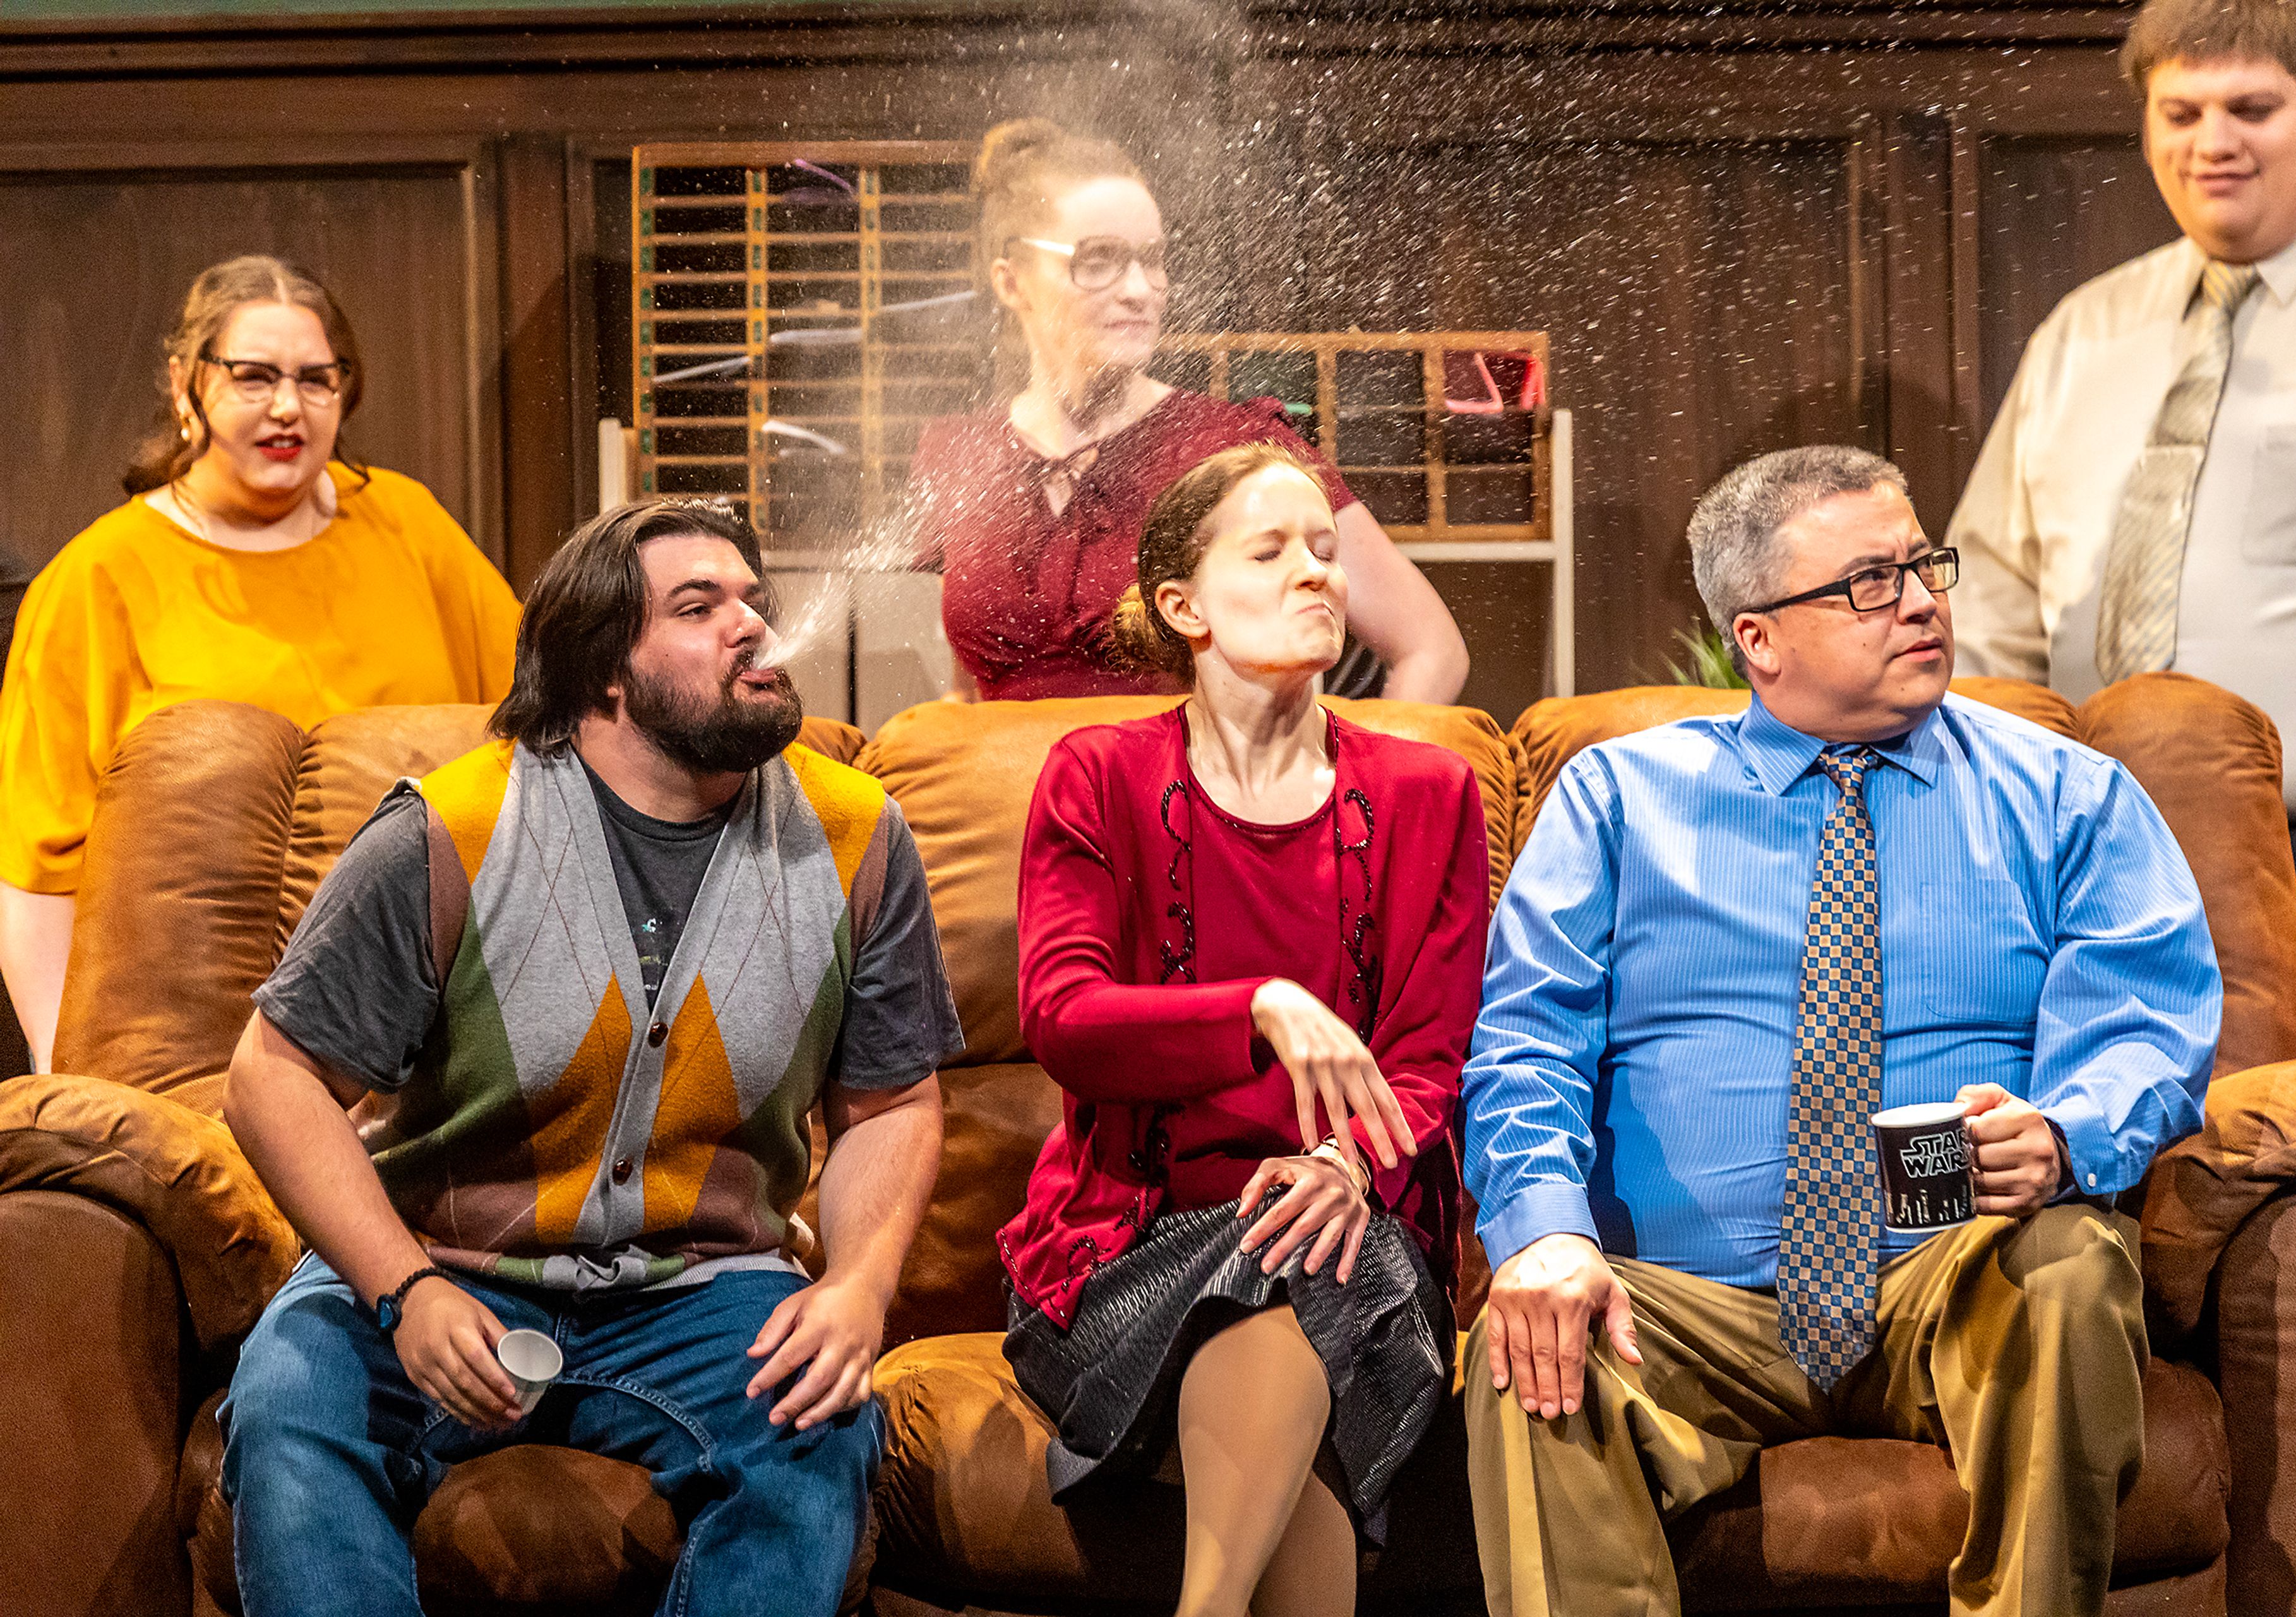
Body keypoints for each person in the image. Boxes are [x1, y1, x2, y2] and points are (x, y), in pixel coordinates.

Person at [1462, 446, 2223, 1617]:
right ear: (1758, 639)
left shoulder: (2067, 795)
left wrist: (2065, 1134)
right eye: (1869, 581)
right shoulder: (1622, 800)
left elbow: (2146, 1019)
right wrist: (1541, 1235)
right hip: (1691, 1297)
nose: (1921, 599)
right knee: (1527, 1355)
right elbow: (1527, 1044)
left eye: (1924, 565)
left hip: (1953, 1273)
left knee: (2071, 1267)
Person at [217, 498, 959, 1617]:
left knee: (817, 1423)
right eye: (700, 607)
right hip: (440, 1258)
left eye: (752, 599)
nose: (751, 624)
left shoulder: (860, 837)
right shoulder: (445, 832)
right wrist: (401, 1288)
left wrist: (860, 1284)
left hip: (702, 1285)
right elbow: (271, 1076)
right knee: (289, 1400)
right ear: (605, 668)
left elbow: (892, 1103)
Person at [996, 442, 1489, 1617]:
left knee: (1318, 1249)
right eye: (1270, 551)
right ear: (1183, 605)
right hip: (1128, 1251)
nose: (1318, 572)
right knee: (1302, 1285)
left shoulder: (1430, 794)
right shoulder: (1097, 775)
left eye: (1325, 549)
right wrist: (1258, 1008)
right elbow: (1064, 1019)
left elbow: (1432, 1058)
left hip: (1346, 1225)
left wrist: (1341, 1161)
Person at [1947, 0, 2296, 1068]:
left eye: (2253, 107)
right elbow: (1992, 597)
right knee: (2095, 1194)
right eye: (2183, 111)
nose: (2214, 142)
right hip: (2077, 863)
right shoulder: (2087, 327)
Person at [0, 254, 520, 1071]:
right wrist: (68, 1078)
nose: (289, 407)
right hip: (195, 1043)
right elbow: (37, 872)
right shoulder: (96, 581)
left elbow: (538, 720)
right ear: (185, 385)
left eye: (318, 379)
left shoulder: (410, 527)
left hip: (427, 1011)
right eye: (253, 376)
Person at [906, 117, 1468, 704]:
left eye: (1152, 259)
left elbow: (1431, 648)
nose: (1140, 288)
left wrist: (1349, 789)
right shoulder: (961, 456)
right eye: (1099, 259)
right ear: (1012, 282)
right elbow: (973, 686)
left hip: (1170, 793)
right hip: (1002, 794)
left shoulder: (1236, 449)